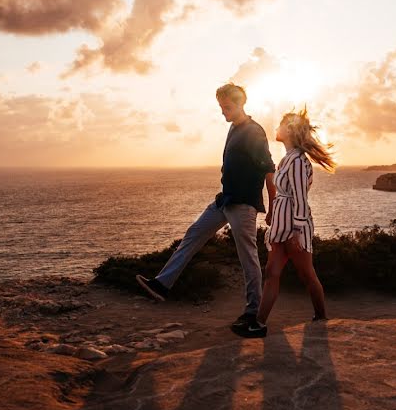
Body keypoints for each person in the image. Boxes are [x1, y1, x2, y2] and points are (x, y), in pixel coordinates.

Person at [136, 83, 276, 334]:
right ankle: (162, 284)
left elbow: (268, 169)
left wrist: (273, 206)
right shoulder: (234, 128)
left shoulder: (254, 131)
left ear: (241, 103)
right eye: (221, 107)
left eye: (227, 107)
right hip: (225, 200)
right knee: (194, 233)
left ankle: (253, 312)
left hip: (243, 204)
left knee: (248, 260)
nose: (223, 112)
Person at [231, 108, 336, 338]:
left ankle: (321, 317)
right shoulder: (287, 158)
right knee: (271, 272)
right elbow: (285, 193)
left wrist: (296, 231)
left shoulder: (298, 161)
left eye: (281, 124)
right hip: (280, 225)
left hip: (294, 227)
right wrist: (273, 213)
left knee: (307, 274)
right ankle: (258, 323)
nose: (276, 127)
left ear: (289, 130)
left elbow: (300, 197)